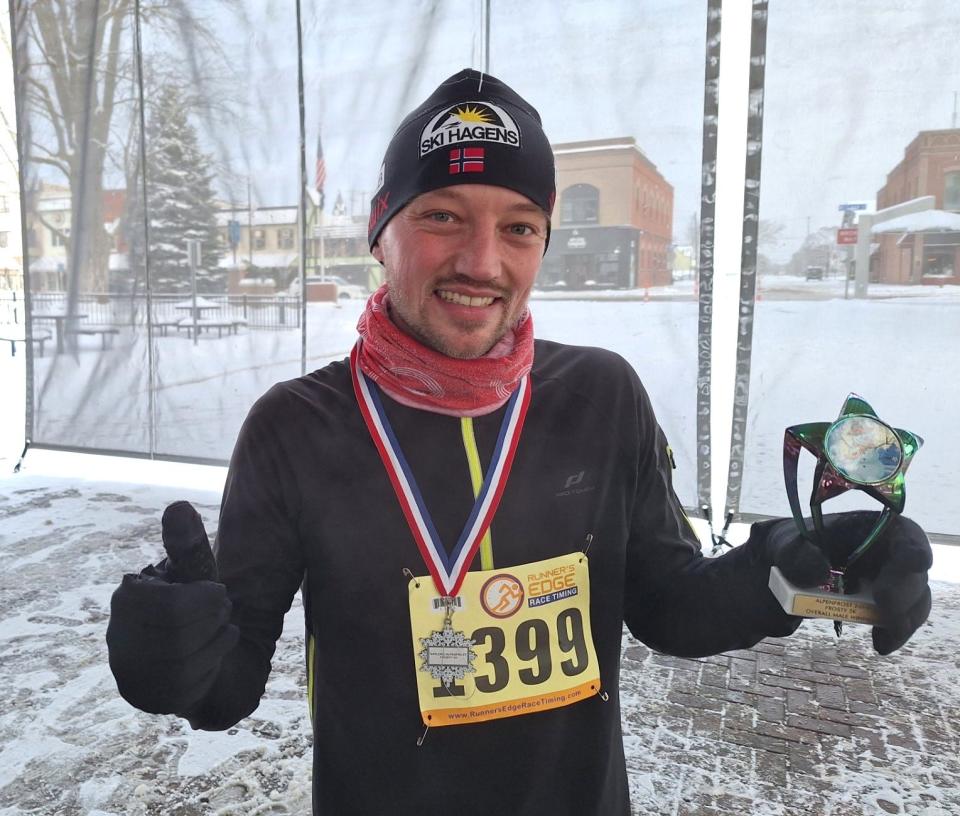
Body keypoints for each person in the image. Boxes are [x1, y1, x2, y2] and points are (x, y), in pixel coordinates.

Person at [106, 69, 932, 815]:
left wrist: (786, 567)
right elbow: (232, 675)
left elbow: (669, 603)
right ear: (379, 231)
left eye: (519, 227)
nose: (481, 260)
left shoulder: (601, 396)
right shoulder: (296, 427)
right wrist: (176, 660)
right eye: (441, 216)